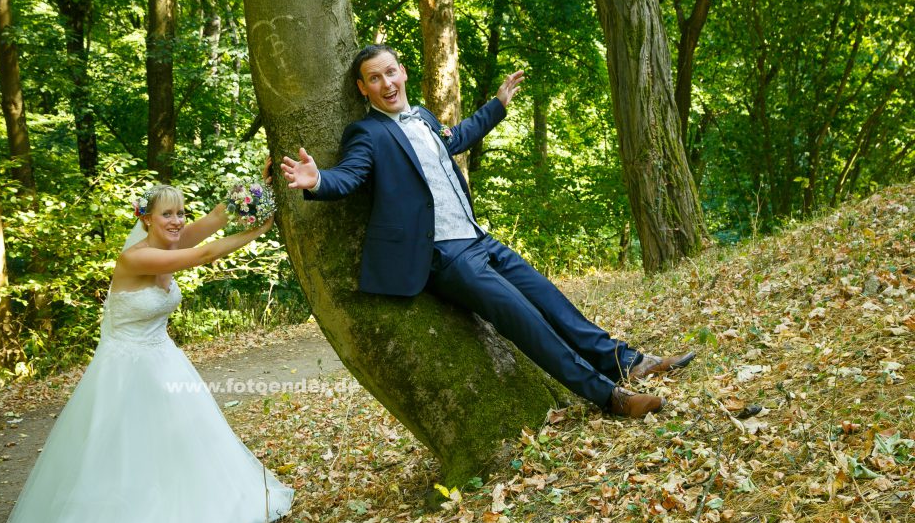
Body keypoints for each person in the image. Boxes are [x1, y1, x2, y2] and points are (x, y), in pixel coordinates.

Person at [281, 44, 693, 419]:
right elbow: (349, 176)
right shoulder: (367, 134)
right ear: (362, 87)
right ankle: (610, 397)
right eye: (374, 78)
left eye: (390, 72)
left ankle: (632, 363)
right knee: (525, 321)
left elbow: (456, 138)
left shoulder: (422, 116)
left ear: (403, 72)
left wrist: (496, 105)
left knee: (552, 302)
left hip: (478, 238)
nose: (386, 83)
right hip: (445, 256)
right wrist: (318, 181)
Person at [0, 181, 293, 523]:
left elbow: (213, 220)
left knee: (180, 442)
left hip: (163, 360)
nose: (177, 221)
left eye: (179, 213)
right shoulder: (136, 257)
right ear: (145, 218)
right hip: (125, 369)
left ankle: (190, 511)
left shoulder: (171, 241)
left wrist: (261, 189)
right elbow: (204, 253)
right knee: (122, 452)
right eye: (167, 214)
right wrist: (260, 230)